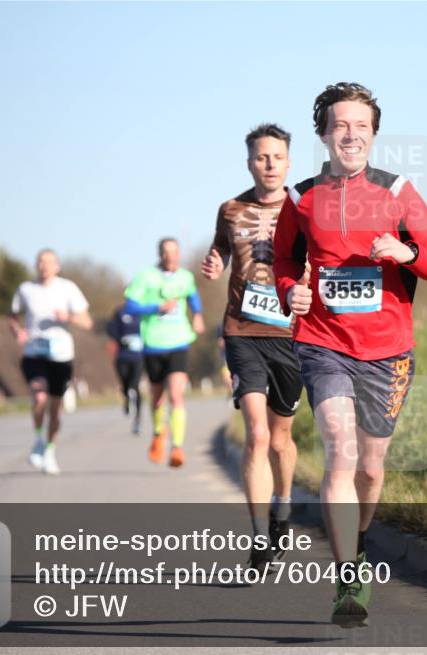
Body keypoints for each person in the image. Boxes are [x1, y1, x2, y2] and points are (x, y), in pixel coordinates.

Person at [273, 83, 427, 626]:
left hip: (388, 351)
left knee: (371, 469)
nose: (350, 134)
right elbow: (282, 261)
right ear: (324, 133)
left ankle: (363, 539)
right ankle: (346, 574)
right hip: (324, 344)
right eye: (340, 125)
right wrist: (290, 293)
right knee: (340, 453)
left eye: (361, 126)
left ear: (373, 134)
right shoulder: (300, 196)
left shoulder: (398, 191)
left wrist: (406, 252)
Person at [201, 123, 302, 570]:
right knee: (257, 434)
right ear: (249, 163)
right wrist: (214, 262)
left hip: (292, 335)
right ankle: (260, 537)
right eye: (261, 157)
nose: (269, 165)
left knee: (281, 440)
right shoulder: (230, 208)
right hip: (243, 332)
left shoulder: (305, 208)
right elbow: (221, 251)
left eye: (277, 157)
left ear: (288, 161)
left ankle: (282, 508)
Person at [9, 249, 93, 475]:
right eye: (40, 262)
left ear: (57, 266)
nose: (44, 266)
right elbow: (13, 316)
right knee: (39, 396)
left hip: (61, 356)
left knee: (55, 409)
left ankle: (50, 452)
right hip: (34, 353)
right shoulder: (26, 290)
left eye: (49, 262)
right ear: (36, 265)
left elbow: (87, 322)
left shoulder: (68, 288)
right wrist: (17, 332)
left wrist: (69, 317)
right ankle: (38, 439)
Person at [125, 238, 205, 467]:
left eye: (174, 252)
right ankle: (159, 432)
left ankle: (177, 447)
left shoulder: (185, 276)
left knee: (176, 395)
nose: (170, 256)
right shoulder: (145, 276)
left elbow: (192, 295)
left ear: (179, 254)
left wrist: (197, 315)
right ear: (160, 254)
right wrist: (156, 307)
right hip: (153, 344)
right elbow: (130, 306)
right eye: (166, 252)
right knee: (157, 397)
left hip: (179, 342)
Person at [106, 304, 144, 434]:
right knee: (125, 386)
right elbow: (111, 328)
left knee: (135, 385)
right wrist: (121, 339)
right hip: (122, 356)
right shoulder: (120, 312)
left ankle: (137, 420)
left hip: (139, 357)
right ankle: (127, 399)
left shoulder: (143, 311)